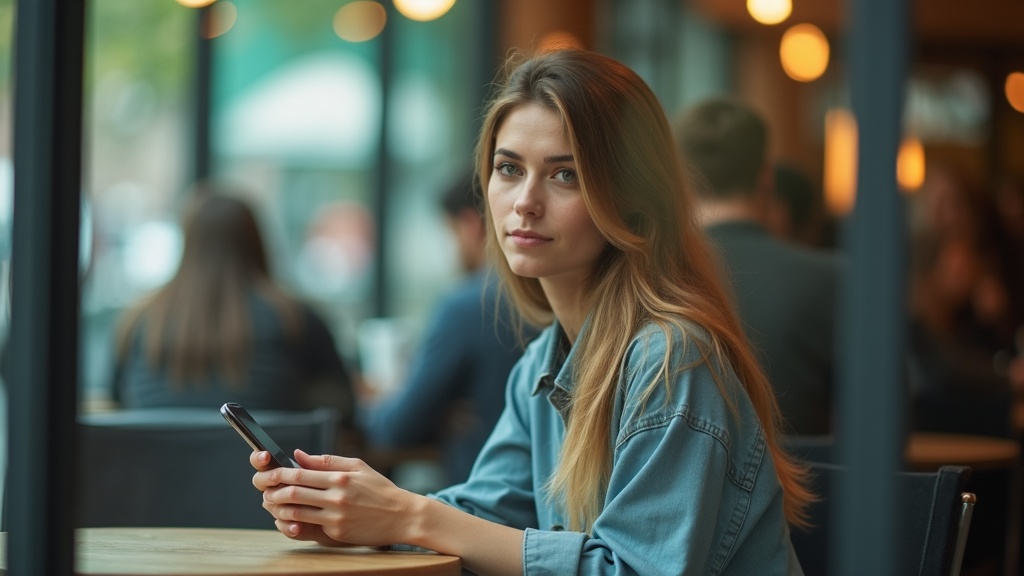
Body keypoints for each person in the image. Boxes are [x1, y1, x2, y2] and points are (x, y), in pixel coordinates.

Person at [249, 49, 812, 575]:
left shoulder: (671, 358)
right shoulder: (545, 361)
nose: (524, 202)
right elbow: (483, 514)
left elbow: (632, 568)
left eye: (566, 174)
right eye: (509, 168)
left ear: (633, 198)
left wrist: (408, 517)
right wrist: (357, 516)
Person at [112, 188, 356, 428]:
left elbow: (120, 399)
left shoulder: (137, 321)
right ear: (256, 241)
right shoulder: (294, 317)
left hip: (156, 455)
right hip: (261, 456)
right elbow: (342, 407)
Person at [672, 96, 843, 436]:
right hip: (808, 472)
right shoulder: (835, 280)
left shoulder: (651, 279)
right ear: (767, 177)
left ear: (679, 179)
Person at [359, 173, 533, 486]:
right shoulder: (555, 298)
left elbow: (395, 428)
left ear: (470, 225)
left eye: (451, 233)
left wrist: (387, 403)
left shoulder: (468, 305)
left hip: (479, 497)